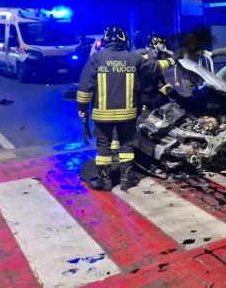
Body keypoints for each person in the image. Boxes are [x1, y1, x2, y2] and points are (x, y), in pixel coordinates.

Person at [77, 25, 175, 192]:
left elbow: (85, 87)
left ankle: (104, 181)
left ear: (106, 39)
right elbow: (155, 67)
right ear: (124, 40)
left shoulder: (96, 59)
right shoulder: (133, 58)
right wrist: (172, 60)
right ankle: (126, 179)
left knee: (103, 146)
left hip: (102, 114)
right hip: (128, 114)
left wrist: (82, 108)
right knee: (126, 145)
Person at [137, 34, 180, 111]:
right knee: (145, 113)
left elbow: (160, 76)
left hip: (153, 91)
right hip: (143, 94)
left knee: (172, 100)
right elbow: (155, 68)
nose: (164, 46)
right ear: (155, 44)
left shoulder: (157, 57)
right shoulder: (145, 56)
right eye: (162, 44)